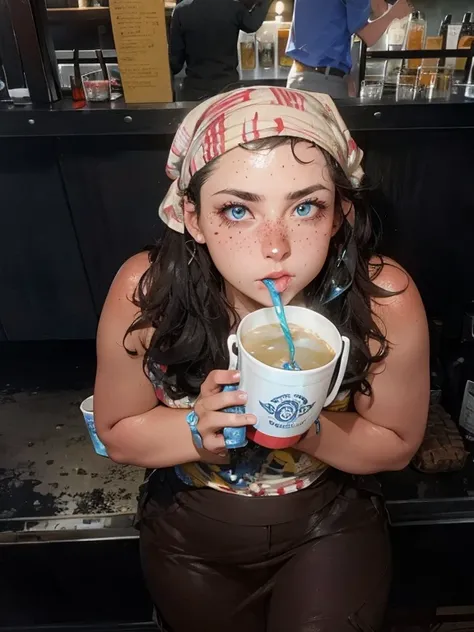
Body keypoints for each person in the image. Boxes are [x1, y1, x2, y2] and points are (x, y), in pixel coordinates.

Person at [94, 86, 429, 631]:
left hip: (329, 520)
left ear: (340, 212)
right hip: (190, 531)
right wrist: (196, 430)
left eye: (304, 207)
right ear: (193, 218)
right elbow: (117, 431)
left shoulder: (383, 296)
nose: (276, 246)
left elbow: (395, 445)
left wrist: (296, 426)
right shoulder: (148, 290)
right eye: (236, 209)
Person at [286, 0, 413, 98]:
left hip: (296, 77)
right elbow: (368, 36)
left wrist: (343, 73)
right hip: (322, 84)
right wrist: (393, 14)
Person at [169, 0, 272, 101]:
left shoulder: (181, 11)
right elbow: (252, 24)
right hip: (227, 91)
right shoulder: (233, 7)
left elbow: (175, 64)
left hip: (195, 91)